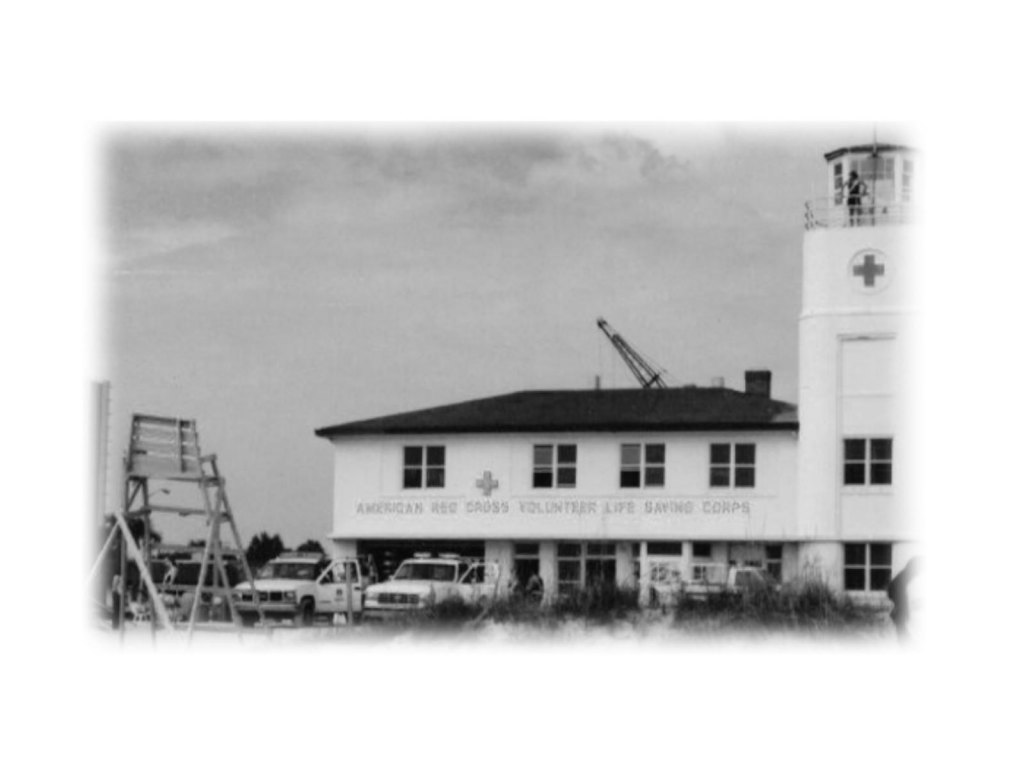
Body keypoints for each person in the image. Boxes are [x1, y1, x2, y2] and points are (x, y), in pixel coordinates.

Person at [887, 558, 919, 643]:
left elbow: (890, 593)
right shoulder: (906, 579)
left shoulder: (903, 577)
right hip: (904, 615)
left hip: (902, 614)